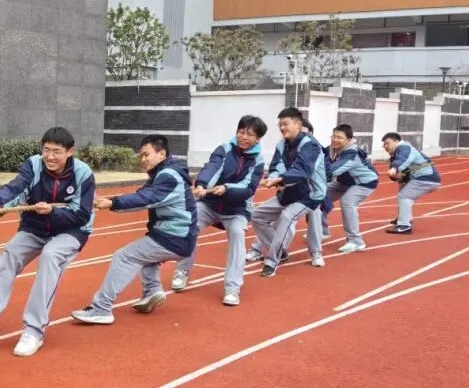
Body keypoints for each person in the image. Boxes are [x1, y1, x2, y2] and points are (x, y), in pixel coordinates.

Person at [0, 127, 96, 356]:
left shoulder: (83, 174)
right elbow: (17, 187)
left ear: (70, 152)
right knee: (10, 252)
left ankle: (34, 331)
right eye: (46, 150)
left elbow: (82, 215)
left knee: (50, 256)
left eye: (57, 151)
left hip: (71, 231)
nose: (50, 156)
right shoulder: (34, 165)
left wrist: (52, 213)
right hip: (35, 228)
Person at [71, 134, 197, 325]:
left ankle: (101, 308)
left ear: (161, 153)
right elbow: (141, 195)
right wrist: (111, 200)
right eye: (141, 156)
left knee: (125, 256)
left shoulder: (168, 176)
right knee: (146, 256)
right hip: (175, 235)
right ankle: (152, 291)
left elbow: (147, 199)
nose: (143, 160)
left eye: (146, 155)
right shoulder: (165, 173)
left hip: (175, 237)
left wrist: (112, 204)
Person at [171, 115, 267, 307]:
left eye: (249, 135)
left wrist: (227, 188)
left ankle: (232, 288)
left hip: (237, 209)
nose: (244, 137)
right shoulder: (224, 149)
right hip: (210, 203)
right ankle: (182, 270)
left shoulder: (258, 160)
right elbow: (213, 167)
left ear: (258, 139)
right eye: (241, 132)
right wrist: (202, 184)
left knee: (238, 237)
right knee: (189, 226)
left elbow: (248, 188)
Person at [248, 108, 328, 277]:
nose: (282, 127)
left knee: (287, 217)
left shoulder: (311, 145)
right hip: (291, 192)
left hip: (310, 195)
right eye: (280, 124)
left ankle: (271, 261)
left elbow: (303, 170)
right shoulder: (282, 145)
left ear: (298, 125)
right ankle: (279, 251)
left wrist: (280, 180)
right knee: (256, 215)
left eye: (285, 124)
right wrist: (274, 177)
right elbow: (277, 165)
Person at [324, 124, 379, 252]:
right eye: (334, 136)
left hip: (364, 182)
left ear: (348, 140)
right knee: (318, 193)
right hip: (345, 182)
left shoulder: (351, 153)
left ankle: (355, 241)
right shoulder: (331, 149)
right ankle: (322, 230)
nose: (335, 139)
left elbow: (333, 170)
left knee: (347, 202)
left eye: (340, 137)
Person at [382, 132, 441, 235]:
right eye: (384, 145)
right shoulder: (395, 154)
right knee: (402, 185)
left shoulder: (404, 148)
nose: (385, 146)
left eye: (388, 143)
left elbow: (403, 159)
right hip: (421, 177)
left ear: (396, 141)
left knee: (404, 196)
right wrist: (395, 175)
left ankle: (404, 226)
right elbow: (396, 172)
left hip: (426, 178)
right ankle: (404, 217)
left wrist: (395, 168)